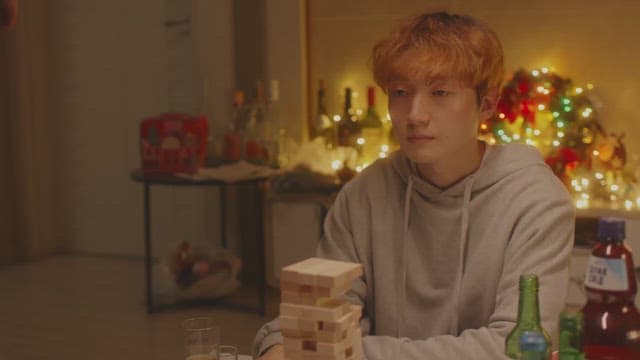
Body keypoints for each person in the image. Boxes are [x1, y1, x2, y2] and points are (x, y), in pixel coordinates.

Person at [253, 10, 574, 359]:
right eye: (401, 92)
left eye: (440, 92)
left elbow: (516, 348)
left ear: (487, 104)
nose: (415, 114)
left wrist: (347, 353)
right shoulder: (364, 194)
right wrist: (279, 345)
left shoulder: (536, 200)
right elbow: (319, 320)